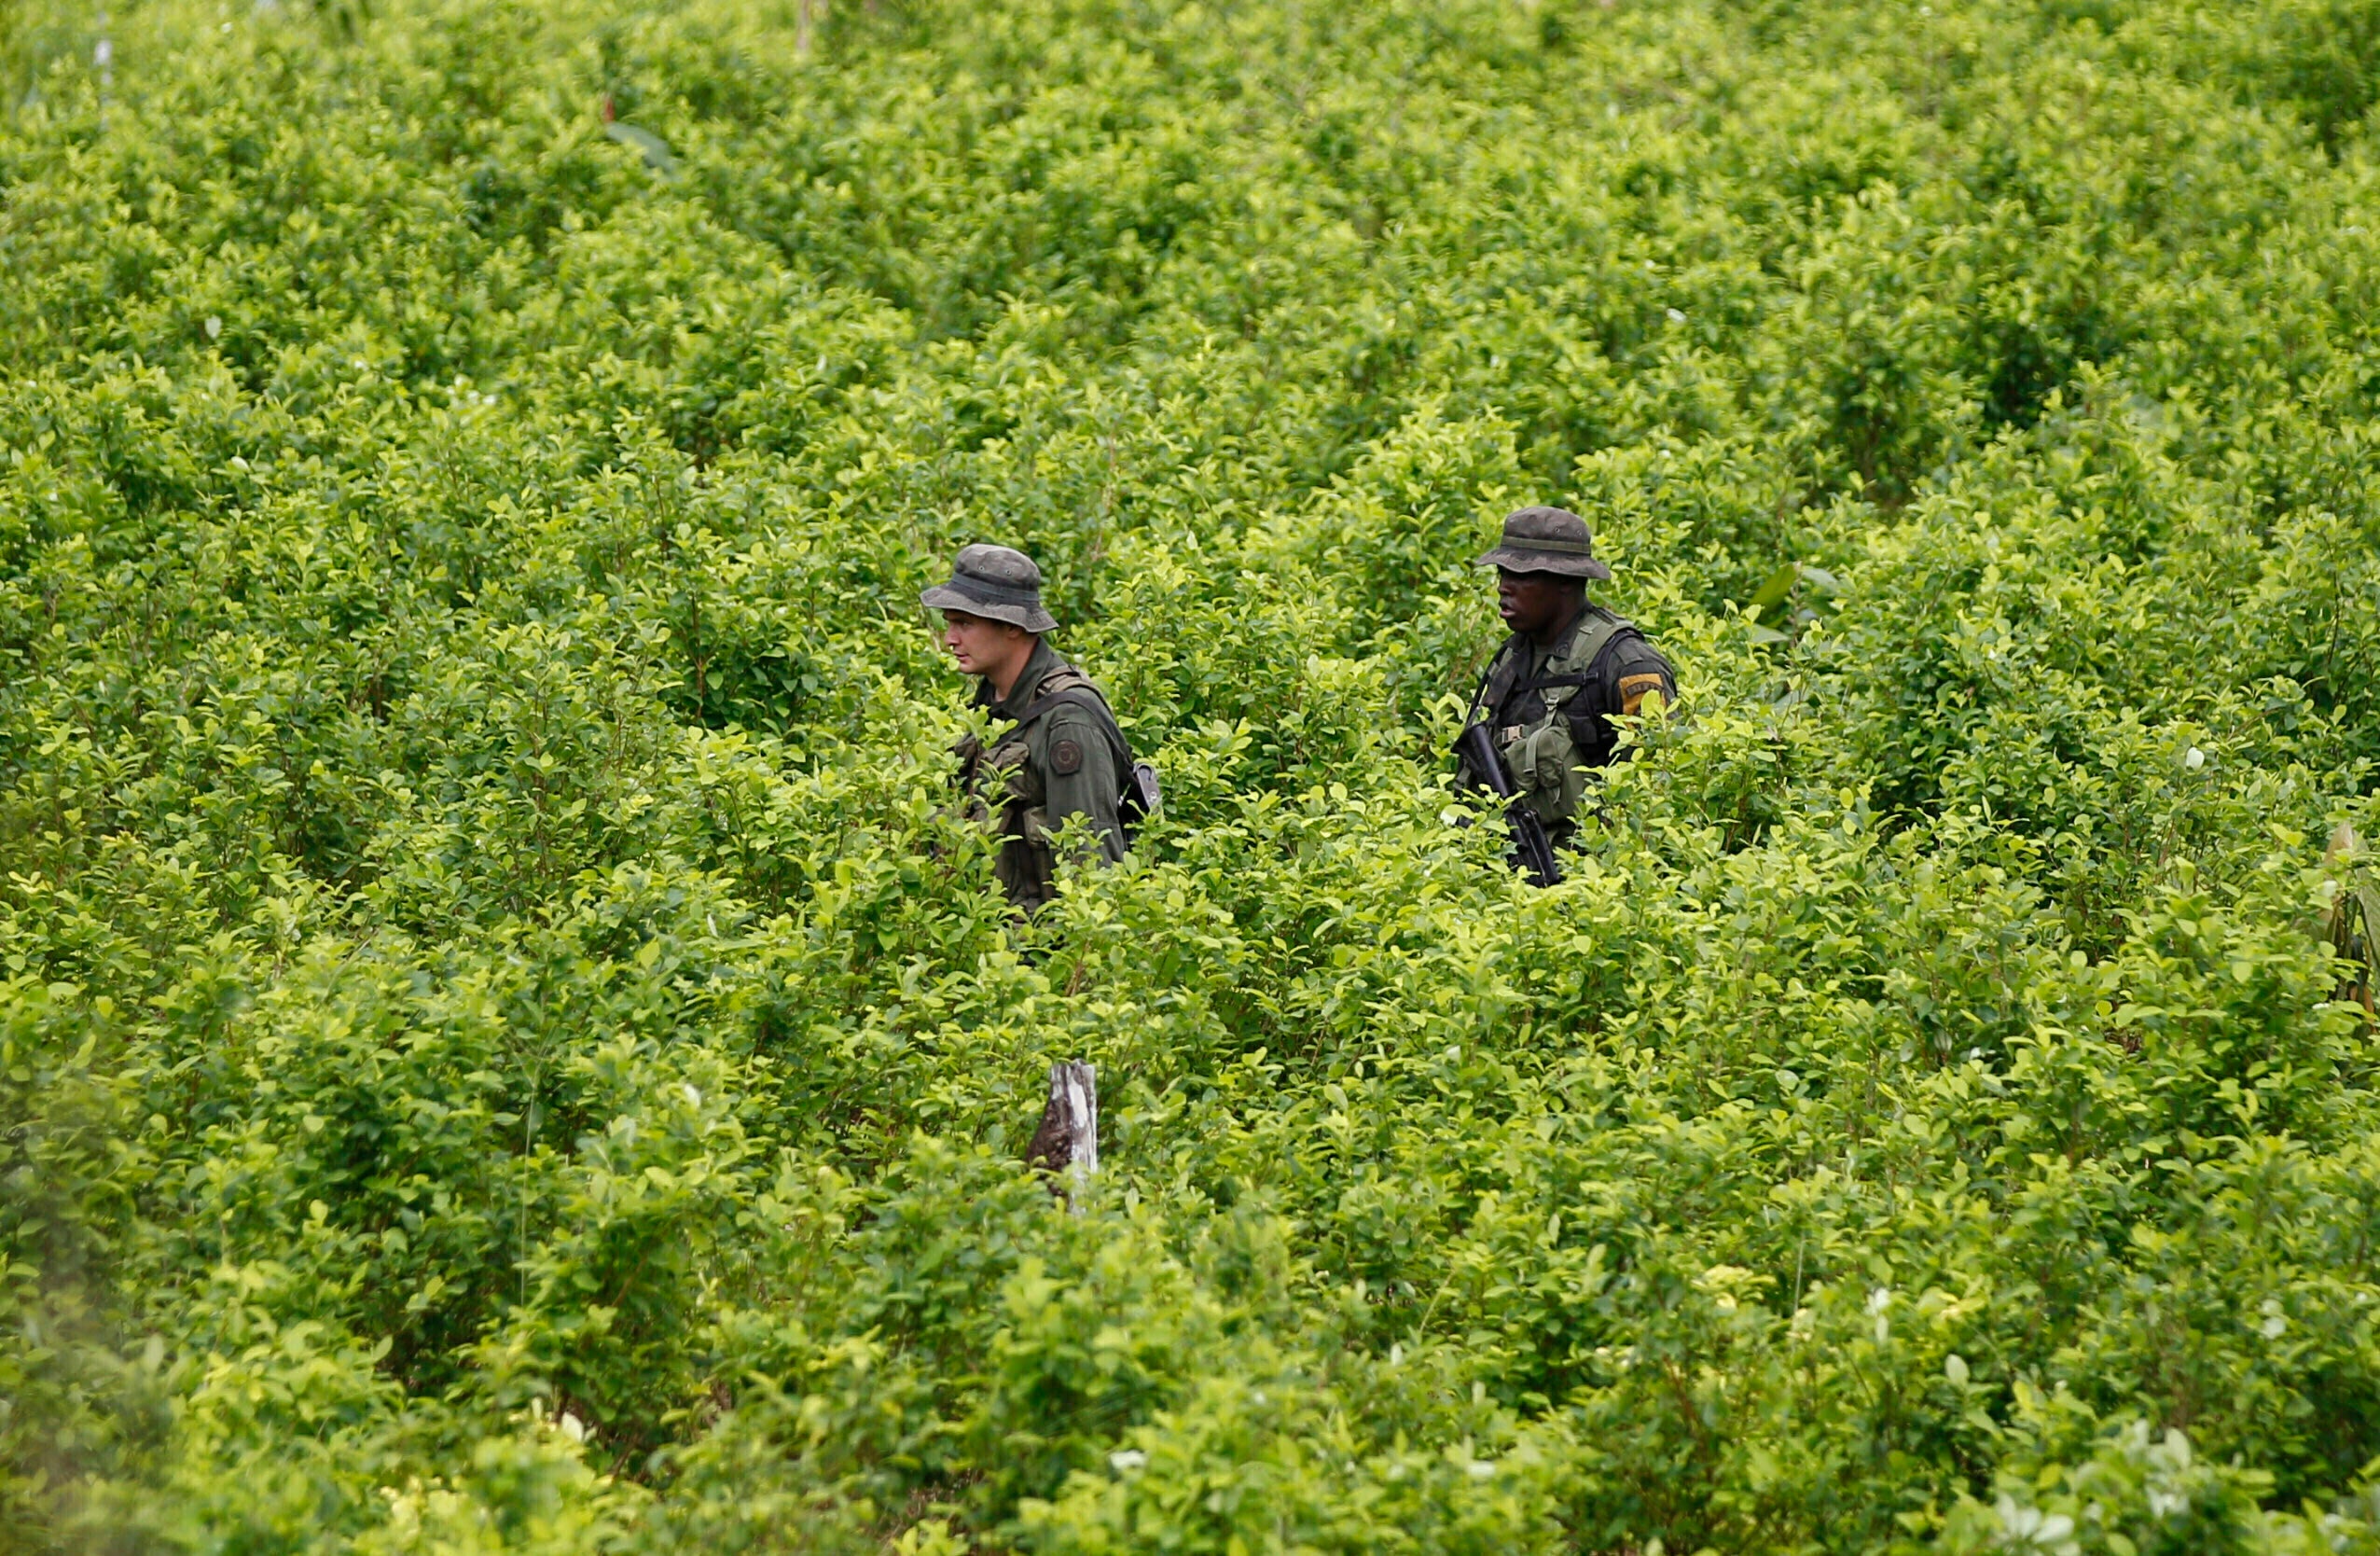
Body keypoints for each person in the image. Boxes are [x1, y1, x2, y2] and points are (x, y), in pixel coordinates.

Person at [923, 544, 1133, 910]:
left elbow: (1093, 872)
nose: (950, 639)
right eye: (949, 622)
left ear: (1012, 626)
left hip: (1042, 951)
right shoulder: (992, 701)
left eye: (965, 623)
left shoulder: (1068, 721)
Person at [1455, 507, 1675, 852]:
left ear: (1565, 582)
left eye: (1521, 576)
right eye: (1502, 573)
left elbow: (1659, 788)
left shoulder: (1625, 663)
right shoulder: (1513, 658)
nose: (1503, 588)